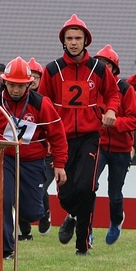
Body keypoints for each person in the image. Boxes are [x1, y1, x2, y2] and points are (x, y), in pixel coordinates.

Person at [0, 57, 68, 259]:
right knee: (3, 200)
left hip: (33, 161)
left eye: (20, 86)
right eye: (11, 84)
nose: (15, 90)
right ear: (5, 82)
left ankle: (41, 212)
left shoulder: (41, 104)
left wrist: (60, 164)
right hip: (5, 158)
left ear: (29, 84)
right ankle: (6, 249)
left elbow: (57, 135)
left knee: (30, 213)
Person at [38, 14, 120, 256]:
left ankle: (82, 246)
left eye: (78, 38)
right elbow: (42, 102)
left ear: (86, 41)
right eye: (70, 38)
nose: (74, 42)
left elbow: (113, 94)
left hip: (90, 137)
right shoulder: (51, 70)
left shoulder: (99, 68)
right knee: (65, 192)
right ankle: (71, 214)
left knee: (86, 188)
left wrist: (112, 110)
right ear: (63, 41)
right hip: (60, 139)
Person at [93, 44, 136, 245]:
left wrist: (115, 122)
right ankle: (85, 229)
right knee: (89, 186)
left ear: (114, 68)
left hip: (121, 149)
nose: (103, 68)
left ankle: (116, 220)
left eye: (107, 64)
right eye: (99, 64)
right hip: (98, 146)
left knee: (114, 193)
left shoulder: (125, 89)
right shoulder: (91, 88)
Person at [18, 57, 52, 239]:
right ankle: (25, 231)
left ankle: (45, 214)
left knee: (40, 188)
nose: (32, 82)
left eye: (36, 78)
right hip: (21, 155)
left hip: (45, 155)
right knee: (18, 191)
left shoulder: (45, 101)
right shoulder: (14, 100)